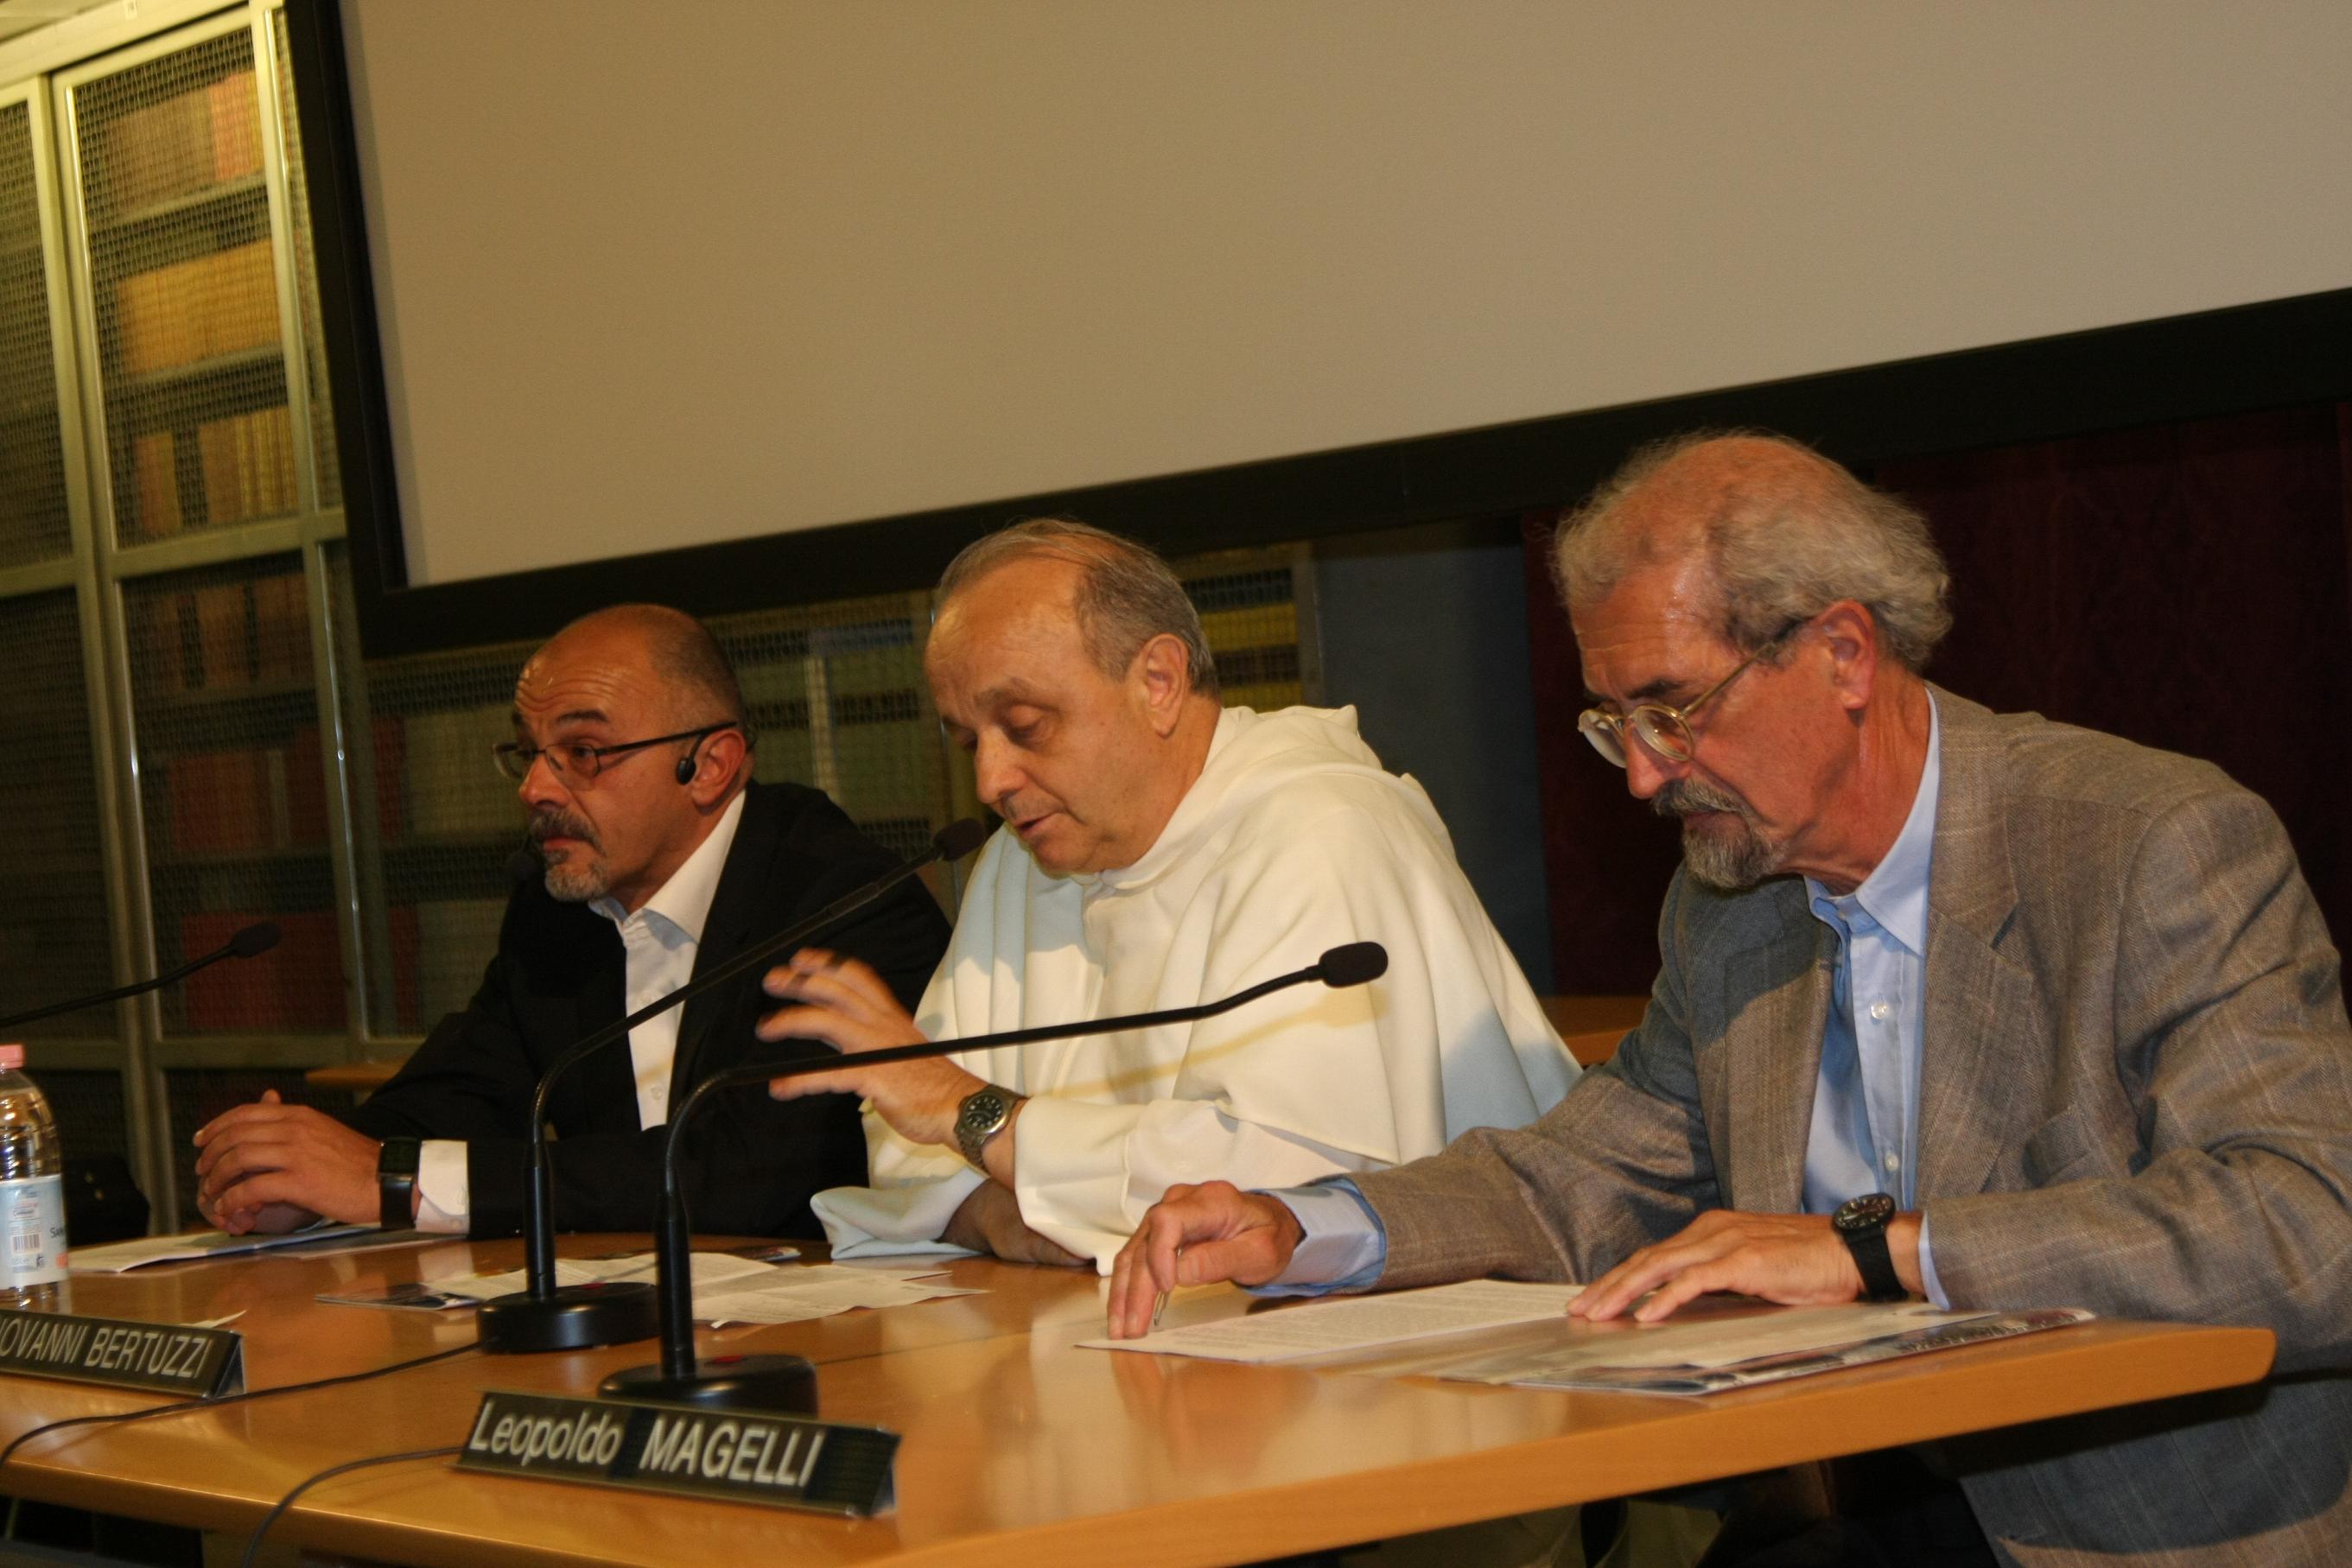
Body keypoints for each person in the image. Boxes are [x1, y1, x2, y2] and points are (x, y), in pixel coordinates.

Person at [1107, 433, 2352, 1565]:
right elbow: (1583, 1174)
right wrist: (1310, 1225)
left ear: (1842, 653)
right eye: (1613, 722)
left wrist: (1875, 1253)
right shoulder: (1729, 903)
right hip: (1840, 1497)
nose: (1643, 776)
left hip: (2127, 1524)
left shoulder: (2145, 845)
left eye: (1673, 709)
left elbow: (2310, 1226)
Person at [756, 518, 1577, 1270]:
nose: (991, 781)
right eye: (971, 741)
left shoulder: (1321, 830)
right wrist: (996, 1212)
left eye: (1026, 725)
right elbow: (906, 1128)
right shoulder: (1019, 862)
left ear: (1157, 680)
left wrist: (987, 1129)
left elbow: (1280, 1188)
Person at [192, 604, 950, 1239]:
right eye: (529, 751)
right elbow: (464, 1092)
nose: (534, 788)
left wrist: (393, 1181)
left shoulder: (846, 901)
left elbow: (745, 1176)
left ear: (709, 766)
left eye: (582, 751)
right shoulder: (557, 911)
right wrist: (298, 1169)